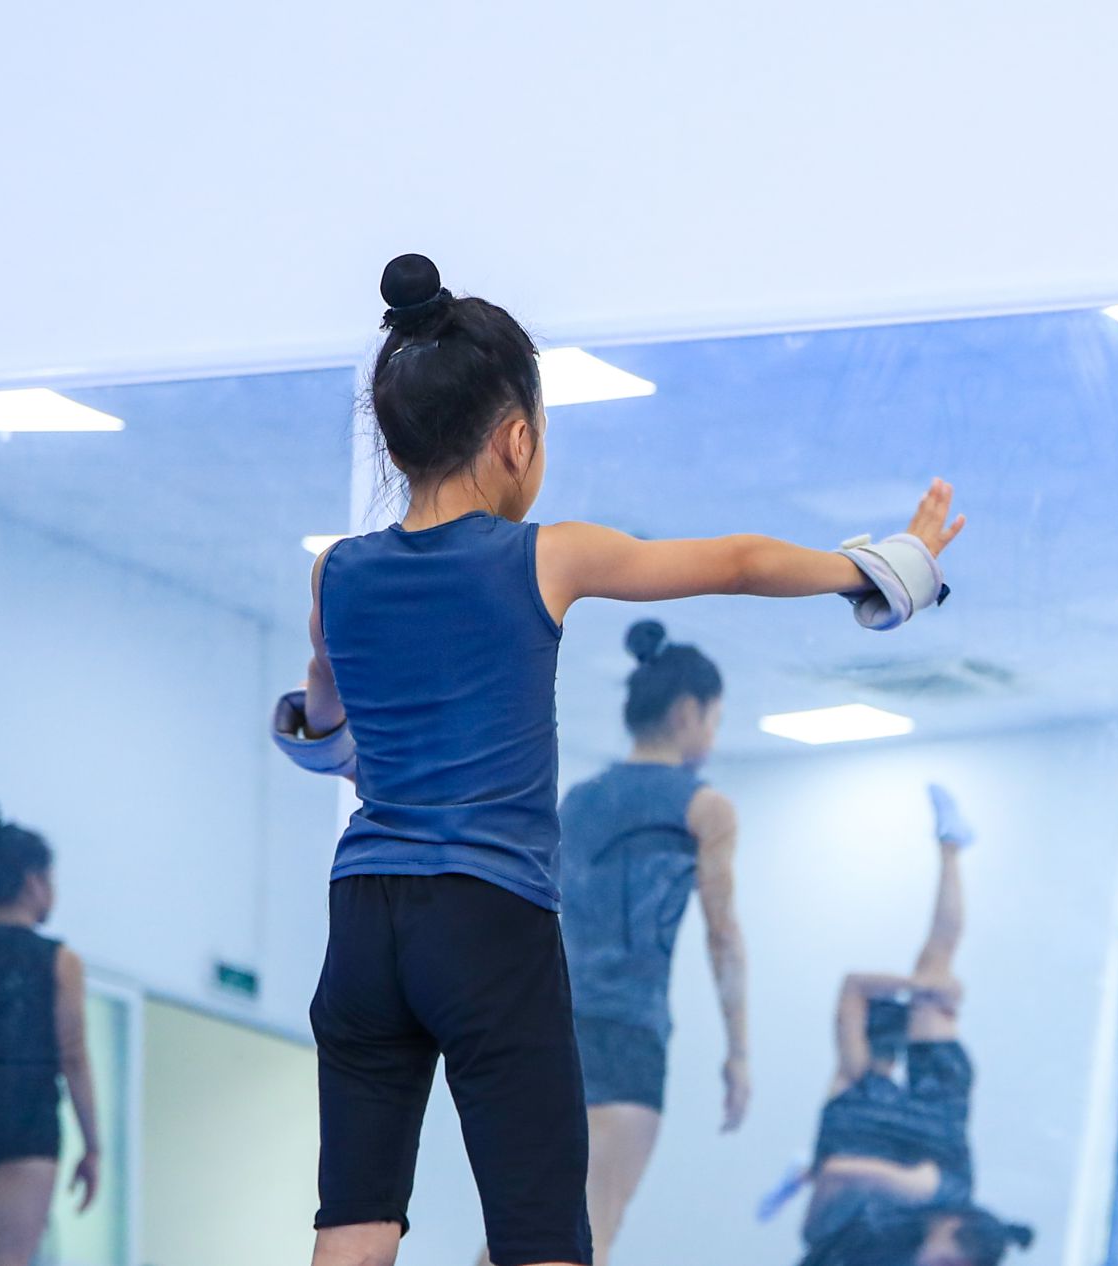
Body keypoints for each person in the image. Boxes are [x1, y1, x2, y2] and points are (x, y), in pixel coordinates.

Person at [274, 253, 963, 1266]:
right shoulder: (543, 555)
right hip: (486, 918)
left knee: (356, 1223)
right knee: (545, 1236)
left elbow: (323, 717)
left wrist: (352, 754)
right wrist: (893, 565)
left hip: (365, 912)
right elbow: (731, 561)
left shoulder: (338, 570)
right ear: (517, 441)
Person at [474, 621, 747, 1266]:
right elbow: (724, 937)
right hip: (627, 1035)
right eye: (715, 719)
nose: (713, 734)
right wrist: (739, 1051)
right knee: (589, 1226)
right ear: (688, 713)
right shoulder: (704, 807)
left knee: (524, 1224)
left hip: (548, 1026)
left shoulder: (580, 800)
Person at [796, 786, 1031, 1266]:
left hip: (911, 1138)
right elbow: (840, 1172)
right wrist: (925, 986)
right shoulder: (939, 1185)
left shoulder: (853, 1079)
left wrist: (923, 986)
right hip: (934, 1124)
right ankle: (951, 849)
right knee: (936, 963)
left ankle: (951, 848)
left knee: (936, 963)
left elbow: (852, 989)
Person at [0, 799, 100, 1266]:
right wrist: (93, 1146)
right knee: (8, 1260)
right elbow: (74, 1056)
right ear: (34, 882)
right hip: (27, 1116)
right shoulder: (59, 960)